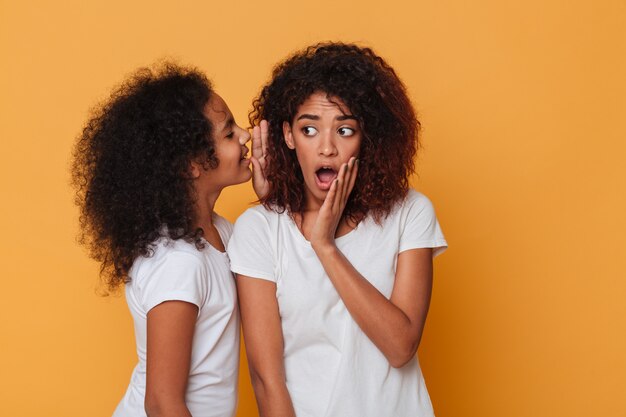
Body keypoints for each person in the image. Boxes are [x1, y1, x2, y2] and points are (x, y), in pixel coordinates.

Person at [227, 43, 448, 417]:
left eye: (345, 130)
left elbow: (400, 347)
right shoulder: (259, 230)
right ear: (288, 135)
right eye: (309, 129)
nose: (327, 148)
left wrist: (324, 246)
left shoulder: (410, 212)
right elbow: (267, 379)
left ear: (368, 138)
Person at [71, 63, 268, 417]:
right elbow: (162, 404)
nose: (245, 134)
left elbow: (268, 280)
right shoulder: (179, 263)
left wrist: (270, 198)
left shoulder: (221, 232)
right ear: (191, 165)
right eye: (227, 134)